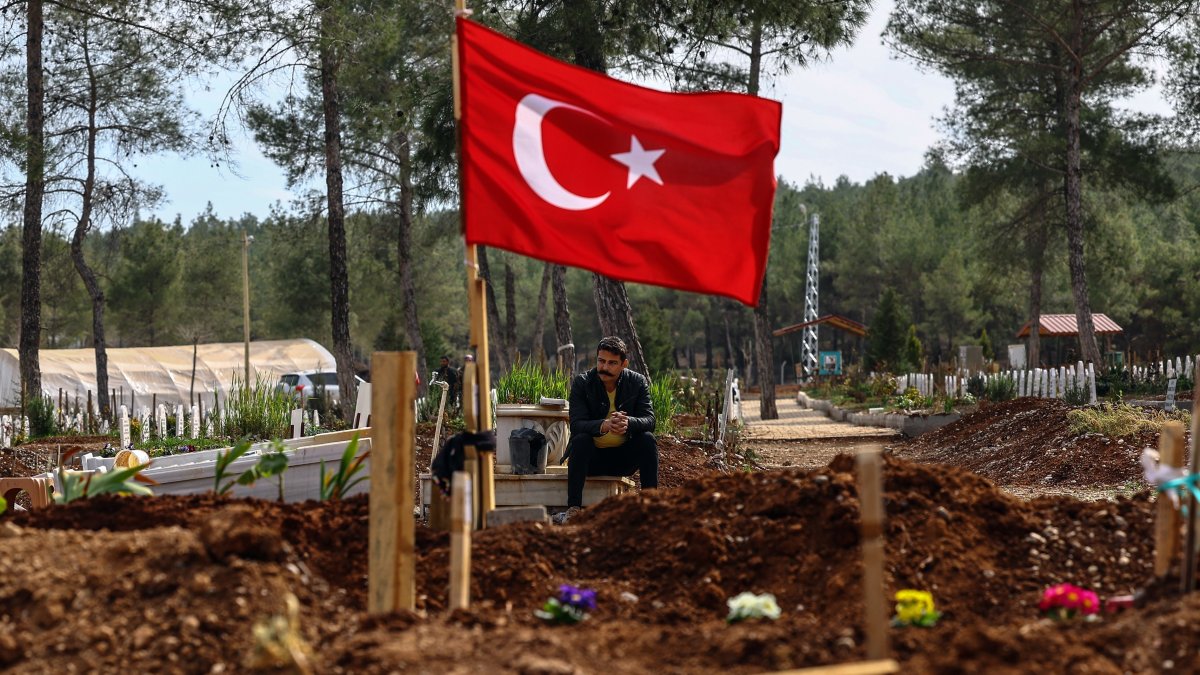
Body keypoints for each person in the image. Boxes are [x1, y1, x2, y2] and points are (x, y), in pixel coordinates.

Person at [554, 336, 657, 525]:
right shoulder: (583, 383)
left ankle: (651, 505)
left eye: (612, 363)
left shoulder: (637, 382)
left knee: (647, 439)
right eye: (601, 361)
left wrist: (629, 423)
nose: (605, 367)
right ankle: (573, 508)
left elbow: (650, 420)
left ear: (624, 364)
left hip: (623, 459)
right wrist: (603, 425)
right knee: (580, 439)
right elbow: (576, 424)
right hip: (591, 460)